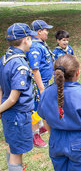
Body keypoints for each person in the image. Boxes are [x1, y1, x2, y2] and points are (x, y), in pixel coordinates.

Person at [0, 23, 37, 171]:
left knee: (12, 145)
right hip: (17, 115)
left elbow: (1, 88)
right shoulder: (19, 64)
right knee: (17, 152)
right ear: (26, 39)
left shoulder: (4, 58)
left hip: (9, 114)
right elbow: (13, 98)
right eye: (31, 38)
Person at [26, 19, 54, 148]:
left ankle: (41, 126)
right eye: (46, 30)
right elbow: (35, 69)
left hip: (44, 82)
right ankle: (34, 134)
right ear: (39, 31)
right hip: (38, 83)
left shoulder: (41, 44)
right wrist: (41, 89)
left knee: (41, 107)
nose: (47, 32)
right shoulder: (35, 47)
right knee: (35, 109)